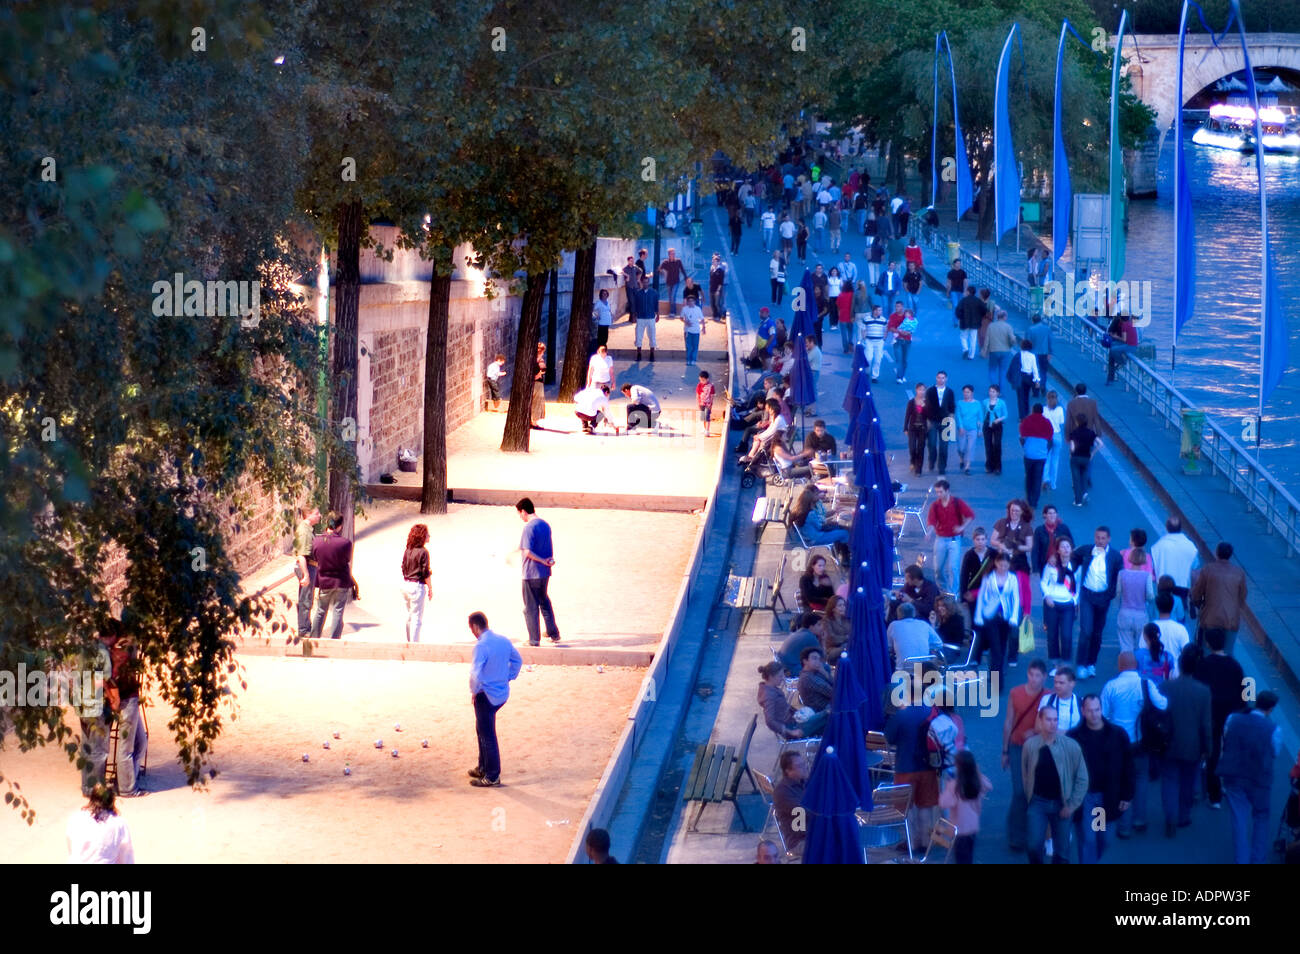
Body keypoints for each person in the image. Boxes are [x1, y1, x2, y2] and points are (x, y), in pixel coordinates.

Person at [1101, 652, 1168, 837]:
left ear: (1119, 665)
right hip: (1140, 743)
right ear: (1136, 665)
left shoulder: (1111, 686)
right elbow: (1163, 705)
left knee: (1119, 781)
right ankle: (1139, 819)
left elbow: (1103, 715)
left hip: (1117, 745)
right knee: (1140, 779)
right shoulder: (1146, 684)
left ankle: (1122, 825)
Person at [1067, 694, 1135, 864]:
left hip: (1107, 796)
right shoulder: (1074, 736)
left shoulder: (1117, 735)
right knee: (1088, 839)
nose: (1094, 714)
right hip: (1085, 796)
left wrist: (1127, 795)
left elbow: (1128, 766)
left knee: (1103, 839)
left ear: (1101, 709)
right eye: (1089, 710)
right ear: (1083, 711)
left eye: (1097, 709)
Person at [1218, 689, 1282, 864]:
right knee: (1261, 816)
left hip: (1234, 776)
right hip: (1259, 780)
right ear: (1271, 709)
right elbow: (1275, 752)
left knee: (1239, 819)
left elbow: (1226, 737)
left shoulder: (1233, 719)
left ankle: (1242, 860)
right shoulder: (1274, 729)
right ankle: (1258, 859)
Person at [1022, 704, 1089, 864]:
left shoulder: (1071, 746)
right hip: (1038, 802)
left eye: (1056, 719)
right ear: (1040, 720)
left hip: (1062, 803)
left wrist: (1071, 805)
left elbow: (1082, 778)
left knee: (1062, 851)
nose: (1053, 723)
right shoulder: (1030, 746)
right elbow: (1026, 774)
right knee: (1033, 845)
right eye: (1049, 719)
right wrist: (1030, 798)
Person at [467, 611, 523, 787]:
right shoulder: (503, 640)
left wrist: (474, 691)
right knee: (481, 729)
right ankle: (483, 766)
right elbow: (518, 661)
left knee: (487, 734)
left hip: (486, 695)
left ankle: (492, 775)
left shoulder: (481, 646)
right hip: (501, 693)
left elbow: (474, 674)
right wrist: (508, 677)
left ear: (475, 627)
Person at [885, 673, 940, 851]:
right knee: (925, 805)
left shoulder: (901, 715)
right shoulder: (933, 712)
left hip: (905, 766)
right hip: (928, 767)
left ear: (907, 694)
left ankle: (911, 842)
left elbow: (890, 738)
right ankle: (924, 841)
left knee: (906, 808)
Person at [1160, 647, 1211, 838]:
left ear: (1180, 666)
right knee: (1187, 782)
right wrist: (1208, 748)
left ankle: (1170, 817)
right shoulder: (1203, 692)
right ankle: (1183, 815)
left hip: (1168, 743)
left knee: (1169, 780)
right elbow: (1206, 724)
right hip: (1193, 746)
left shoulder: (1165, 687)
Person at [1195, 627, 1246, 809]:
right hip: (1231, 716)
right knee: (1230, 752)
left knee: (1213, 753)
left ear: (1208, 643)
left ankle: (1214, 794)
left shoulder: (1203, 665)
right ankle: (1228, 786)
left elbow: (1198, 691)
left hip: (1211, 716)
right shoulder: (1235, 665)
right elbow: (1246, 693)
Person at [1002, 660, 1049, 851]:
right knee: (1020, 791)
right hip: (1017, 746)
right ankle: (1016, 835)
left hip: (1038, 748)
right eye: (1031, 674)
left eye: (1038, 676)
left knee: (1034, 792)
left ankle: (1030, 830)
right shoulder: (1016, 693)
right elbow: (1008, 722)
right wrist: (1004, 751)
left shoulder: (1048, 696)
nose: (1034, 679)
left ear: (1044, 677)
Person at [102, 618, 147, 797]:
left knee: (140, 742)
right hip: (127, 700)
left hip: (130, 699)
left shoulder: (119, 649)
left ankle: (127, 779)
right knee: (126, 747)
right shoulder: (120, 652)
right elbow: (113, 678)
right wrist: (115, 696)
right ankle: (128, 789)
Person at [1072, 526, 1121, 679]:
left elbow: (1118, 576)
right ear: (1094, 537)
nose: (1100, 541)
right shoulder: (1086, 550)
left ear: (1109, 539)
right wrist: (1074, 571)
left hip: (1103, 598)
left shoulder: (1115, 556)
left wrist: (1110, 594)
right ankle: (1080, 664)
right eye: (1097, 538)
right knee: (1086, 630)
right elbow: (1073, 557)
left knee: (1097, 633)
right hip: (1087, 595)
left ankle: (1091, 663)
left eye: (1103, 538)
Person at [1189, 541, 1248, 654]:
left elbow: (1196, 594)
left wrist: (1198, 603)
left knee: (1206, 651)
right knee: (1228, 653)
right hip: (1231, 620)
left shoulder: (1208, 569)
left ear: (1217, 553)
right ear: (1230, 554)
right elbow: (1242, 597)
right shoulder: (1239, 572)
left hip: (1210, 619)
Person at [515, 497, 559, 647]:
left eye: (519, 513)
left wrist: (540, 560)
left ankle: (534, 639)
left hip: (531, 573)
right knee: (544, 601)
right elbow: (547, 547)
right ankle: (554, 633)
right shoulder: (545, 525)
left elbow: (527, 551)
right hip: (545, 573)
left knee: (530, 607)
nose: (520, 517)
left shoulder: (528, 527)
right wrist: (547, 561)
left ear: (523, 511)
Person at [940, 750, 993, 864]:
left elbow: (944, 803)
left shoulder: (954, 786)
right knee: (968, 857)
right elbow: (989, 785)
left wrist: (946, 785)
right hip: (972, 827)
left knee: (961, 859)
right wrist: (978, 773)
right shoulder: (977, 782)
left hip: (958, 829)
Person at [973, 551, 1019, 681]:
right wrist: (978, 616)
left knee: (1003, 644)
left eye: (1005, 565)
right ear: (996, 563)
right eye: (1001, 565)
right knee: (995, 647)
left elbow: (1016, 598)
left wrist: (1014, 616)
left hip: (1005, 616)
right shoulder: (988, 577)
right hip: (990, 615)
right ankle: (996, 678)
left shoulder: (1012, 578)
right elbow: (981, 597)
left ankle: (996, 670)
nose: (1003, 568)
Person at [310, 512, 356, 641]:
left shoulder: (317, 542)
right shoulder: (345, 543)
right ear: (340, 526)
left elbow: (315, 557)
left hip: (324, 581)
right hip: (341, 581)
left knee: (320, 611)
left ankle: (314, 639)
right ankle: (334, 640)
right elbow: (347, 559)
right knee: (338, 611)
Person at [925, 478, 974, 595]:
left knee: (953, 568)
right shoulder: (935, 505)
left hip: (954, 540)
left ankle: (953, 593)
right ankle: (943, 589)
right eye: (937, 492)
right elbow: (931, 521)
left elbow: (970, 515)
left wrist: (962, 527)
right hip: (940, 538)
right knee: (938, 569)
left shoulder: (957, 502)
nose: (939, 494)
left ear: (947, 491)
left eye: (941, 492)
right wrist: (929, 532)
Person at [758, 660, 826, 740]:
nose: (783, 678)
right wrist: (789, 732)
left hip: (795, 721)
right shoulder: (769, 695)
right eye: (780, 676)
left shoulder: (770, 689)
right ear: (771, 677)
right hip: (793, 728)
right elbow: (769, 721)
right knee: (828, 714)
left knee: (825, 717)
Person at [67, 784, 134, 864]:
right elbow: (126, 856)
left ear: (92, 798)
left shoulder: (76, 818)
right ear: (112, 800)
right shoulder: (119, 824)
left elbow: (71, 849)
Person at [1041, 537, 1079, 666]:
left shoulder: (1075, 566)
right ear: (1057, 550)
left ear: (1071, 549)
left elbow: (1077, 585)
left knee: (1067, 636)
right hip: (1052, 605)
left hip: (1068, 605)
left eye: (1068, 546)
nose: (1066, 549)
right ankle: (1055, 663)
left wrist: (1074, 601)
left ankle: (1066, 663)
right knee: (1052, 636)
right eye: (1062, 547)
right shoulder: (1051, 565)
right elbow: (1043, 582)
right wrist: (1047, 596)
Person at [1150, 516, 1199, 617]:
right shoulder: (1190, 545)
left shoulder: (1159, 546)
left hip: (1164, 584)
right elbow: (1195, 565)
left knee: (1163, 611)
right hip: (1182, 585)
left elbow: (1153, 566)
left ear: (1167, 528)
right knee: (1180, 611)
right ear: (1181, 528)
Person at [292, 503, 320, 644]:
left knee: (307, 598)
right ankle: (304, 630)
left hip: (310, 566)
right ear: (308, 515)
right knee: (305, 599)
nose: (319, 516)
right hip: (306, 566)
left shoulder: (308, 529)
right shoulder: (304, 531)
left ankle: (306, 626)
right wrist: (306, 575)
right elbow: (301, 555)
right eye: (316, 513)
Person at [887, 602, 944, 671]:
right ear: (914, 613)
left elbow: (888, 647)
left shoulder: (893, 625)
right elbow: (939, 644)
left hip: (903, 669)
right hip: (925, 669)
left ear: (898, 614)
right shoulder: (923, 624)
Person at [789, 483, 849, 548]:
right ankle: (845, 554)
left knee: (838, 529)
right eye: (816, 494)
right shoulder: (810, 513)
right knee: (844, 533)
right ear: (810, 501)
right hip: (815, 538)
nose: (818, 496)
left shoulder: (800, 510)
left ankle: (839, 550)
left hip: (808, 537)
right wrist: (830, 522)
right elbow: (820, 527)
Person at [773, 751, 810, 854]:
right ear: (788, 771)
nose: (805, 767)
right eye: (800, 766)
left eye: (804, 764)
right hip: (800, 841)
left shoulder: (804, 782)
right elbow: (808, 812)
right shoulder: (783, 792)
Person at [401, 524, 433, 643]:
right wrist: (430, 588)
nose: (429, 536)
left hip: (405, 584)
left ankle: (409, 641)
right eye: (427, 534)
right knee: (416, 618)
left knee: (410, 616)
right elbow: (425, 572)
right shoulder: (423, 552)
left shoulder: (408, 550)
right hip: (416, 586)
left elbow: (403, 567)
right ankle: (414, 645)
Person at [1018, 403, 1053, 510]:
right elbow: (1050, 439)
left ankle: (1029, 498)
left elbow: (1022, 437)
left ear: (1033, 410)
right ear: (1042, 411)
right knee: (1038, 478)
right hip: (1041, 455)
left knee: (1029, 476)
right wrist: (1046, 451)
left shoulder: (1026, 421)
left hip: (1029, 454)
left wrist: (1025, 447)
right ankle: (1035, 501)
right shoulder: (1047, 422)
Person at [959, 528, 995, 621]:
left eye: (983, 539)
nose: (980, 542)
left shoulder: (993, 554)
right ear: (973, 540)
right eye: (978, 539)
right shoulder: (969, 555)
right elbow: (964, 576)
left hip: (990, 588)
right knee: (974, 617)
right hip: (974, 589)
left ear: (986, 540)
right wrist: (963, 597)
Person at [991, 499, 1034, 574]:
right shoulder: (1001, 522)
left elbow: (1029, 547)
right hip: (1001, 557)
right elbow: (992, 540)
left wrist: (1016, 547)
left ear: (1022, 512)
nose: (1014, 513)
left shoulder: (1027, 527)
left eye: (1017, 511)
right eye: (1012, 510)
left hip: (1018, 561)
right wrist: (1000, 545)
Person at [1067, 412, 1101, 507]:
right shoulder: (1091, 433)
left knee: (1076, 479)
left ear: (1077, 422)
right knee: (1084, 477)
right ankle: (1084, 493)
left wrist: (1071, 453)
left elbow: (1072, 447)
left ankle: (1078, 501)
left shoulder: (1074, 433)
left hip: (1075, 457)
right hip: (1086, 458)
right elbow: (1100, 444)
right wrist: (1092, 453)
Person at [924, 371, 955, 475]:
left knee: (944, 446)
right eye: (939, 378)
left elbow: (952, 407)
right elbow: (926, 406)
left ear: (946, 379)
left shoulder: (949, 392)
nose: (941, 380)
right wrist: (927, 420)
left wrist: (951, 420)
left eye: (943, 378)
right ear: (936, 378)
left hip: (945, 421)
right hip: (933, 420)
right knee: (932, 444)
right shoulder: (930, 391)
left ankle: (942, 467)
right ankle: (931, 460)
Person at [1152, 592, 1190, 674]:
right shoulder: (1181, 629)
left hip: (1153, 672)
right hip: (1175, 672)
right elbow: (1186, 652)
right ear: (1172, 606)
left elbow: (1143, 649)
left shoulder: (1149, 627)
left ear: (1157, 607)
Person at [1031, 505, 1072, 575]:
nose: (1052, 515)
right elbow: (1035, 549)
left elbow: (1071, 545)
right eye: (1050, 513)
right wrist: (1035, 568)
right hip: (1044, 565)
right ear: (1044, 515)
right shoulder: (1039, 530)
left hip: (1062, 563)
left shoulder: (1064, 528)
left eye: (1054, 513)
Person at [1038, 666, 1082, 732]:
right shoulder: (1046, 700)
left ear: (1072, 684)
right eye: (1055, 682)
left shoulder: (1081, 703)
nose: (1057, 686)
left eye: (1061, 683)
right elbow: (1038, 727)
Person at [983, 309, 1017, 391]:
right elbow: (1012, 338)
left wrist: (985, 350)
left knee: (992, 369)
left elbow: (987, 339)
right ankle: (1000, 390)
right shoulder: (1008, 326)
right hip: (1005, 351)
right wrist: (1012, 344)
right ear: (1004, 317)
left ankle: (994, 389)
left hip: (994, 350)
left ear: (997, 317)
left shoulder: (991, 326)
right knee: (1002, 371)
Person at [813, 595, 850, 664]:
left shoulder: (846, 619)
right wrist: (847, 637)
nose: (843, 607)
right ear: (833, 608)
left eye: (844, 605)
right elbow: (832, 639)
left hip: (846, 645)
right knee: (848, 647)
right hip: (831, 650)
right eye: (840, 605)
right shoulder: (826, 621)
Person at [1135, 623, 1174, 688]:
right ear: (1159, 635)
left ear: (1144, 636)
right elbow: (1170, 679)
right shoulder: (1168, 657)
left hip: (1142, 693)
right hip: (1161, 694)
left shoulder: (1136, 655)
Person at [981, 384, 1009, 476]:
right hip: (987, 424)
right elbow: (982, 414)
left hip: (997, 425)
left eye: (993, 392)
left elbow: (1005, 414)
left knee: (997, 445)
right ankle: (989, 465)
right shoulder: (985, 402)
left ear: (998, 393)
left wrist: (999, 419)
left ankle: (998, 467)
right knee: (988, 445)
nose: (991, 393)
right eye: (990, 391)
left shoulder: (1001, 403)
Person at [954, 385, 981, 476]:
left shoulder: (977, 404)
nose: (966, 394)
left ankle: (967, 467)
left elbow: (980, 417)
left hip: (973, 429)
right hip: (962, 429)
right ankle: (962, 459)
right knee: (961, 448)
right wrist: (960, 427)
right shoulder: (960, 403)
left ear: (972, 393)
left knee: (970, 448)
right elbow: (958, 416)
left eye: (968, 392)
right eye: (964, 392)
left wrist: (980, 429)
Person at [797, 647, 834, 713]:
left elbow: (834, 684)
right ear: (805, 661)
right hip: (823, 713)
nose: (818, 662)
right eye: (814, 658)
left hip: (828, 707)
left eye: (819, 659)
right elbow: (834, 693)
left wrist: (824, 672)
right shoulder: (807, 678)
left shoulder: (815, 672)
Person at [631, 274, 658, 362]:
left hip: (650, 317)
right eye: (644, 282)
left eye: (647, 282)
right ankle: (639, 354)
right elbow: (635, 305)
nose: (645, 284)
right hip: (640, 317)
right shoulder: (638, 293)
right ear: (642, 283)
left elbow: (656, 304)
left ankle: (652, 354)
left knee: (652, 336)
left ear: (648, 283)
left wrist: (658, 315)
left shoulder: (654, 293)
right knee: (638, 336)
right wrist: (634, 316)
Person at [1011, 340, 1042, 420]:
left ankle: (1022, 415)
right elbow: (1035, 368)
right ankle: (1027, 412)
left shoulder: (1018, 355)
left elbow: (1013, 367)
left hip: (1020, 376)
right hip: (1029, 377)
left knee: (1020, 396)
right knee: (1026, 395)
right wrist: (1037, 380)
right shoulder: (1032, 356)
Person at [1042, 390, 1065, 492]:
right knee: (1055, 460)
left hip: (1046, 436)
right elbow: (1061, 422)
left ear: (1047, 398)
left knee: (1046, 458)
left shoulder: (1044, 410)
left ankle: (1045, 478)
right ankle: (1053, 483)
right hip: (1057, 436)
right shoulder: (1060, 409)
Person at [903, 382, 928, 476]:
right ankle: (913, 460)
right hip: (912, 428)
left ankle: (918, 469)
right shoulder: (911, 402)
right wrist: (905, 428)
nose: (921, 392)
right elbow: (907, 415)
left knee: (921, 449)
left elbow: (930, 415)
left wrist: (925, 407)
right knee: (912, 448)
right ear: (916, 390)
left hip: (923, 428)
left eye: (923, 390)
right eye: (920, 390)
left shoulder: (927, 403)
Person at [886, 304, 915, 384]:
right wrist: (900, 331)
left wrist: (909, 332)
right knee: (898, 360)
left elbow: (913, 326)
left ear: (902, 307)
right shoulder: (893, 316)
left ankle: (902, 375)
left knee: (905, 360)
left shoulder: (907, 316)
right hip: (897, 341)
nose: (897, 308)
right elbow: (890, 328)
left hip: (907, 341)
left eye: (898, 306)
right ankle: (899, 377)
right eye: (896, 306)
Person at [860, 303, 888, 382]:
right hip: (869, 341)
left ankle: (874, 376)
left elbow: (886, 329)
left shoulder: (883, 320)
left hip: (879, 342)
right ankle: (867, 372)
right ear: (874, 311)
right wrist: (864, 338)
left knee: (878, 359)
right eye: (879, 310)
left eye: (881, 310)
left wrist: (884, 339)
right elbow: (863, 329)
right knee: (868, 358)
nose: (881, 312)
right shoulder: (867, 319)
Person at [1027, 312, 1053, 388]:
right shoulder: (1047, 329)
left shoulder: (1030, 329)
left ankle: (1035, 388)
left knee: (1034, 371)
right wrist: (1050, 353)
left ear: (1033, 321)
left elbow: (1027, 342)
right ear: (1040, 320)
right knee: (1043, 371)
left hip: (1033, 353)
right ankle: (1043, 386)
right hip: (1044, 353)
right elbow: (1050, 341)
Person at [658, 248, 686, 316]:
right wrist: (664, 272)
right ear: (669, 255)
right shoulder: (665, 262)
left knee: (673, 296)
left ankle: (672, 312)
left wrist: (686, 278)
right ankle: (673, 311)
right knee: (670, 298)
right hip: (668, 282)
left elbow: (682, 270)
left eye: (674, 253)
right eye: (672, 254)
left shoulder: (678, 261)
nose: (673, 255)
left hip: (676, 282)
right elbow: (659, 270)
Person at [530, 342, 547, 426]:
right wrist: (539, 375)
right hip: (537, 384)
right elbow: (543, 368)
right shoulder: (540, 360)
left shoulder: (530, 358)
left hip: (532, 384)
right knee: (537, 403)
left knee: (532, 402)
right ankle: (534, 422)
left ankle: (531, 421)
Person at [696, 370, 716, 438]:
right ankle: (704, 428)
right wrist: (698, 402)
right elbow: (698, 394)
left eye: (703, 380)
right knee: (702, 417)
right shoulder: (699, 385)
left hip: (708, 404)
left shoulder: (711, 386)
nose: (702, 381)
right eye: (700, 380)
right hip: (701, 403)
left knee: (707, 417)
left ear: (707, 379)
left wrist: (711, 403)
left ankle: (707, 430)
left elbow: (712, 395)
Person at [708, 253, 728, 318]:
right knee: (712, 303)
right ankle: (715, 314)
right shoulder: (712, 268)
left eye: (714, 261)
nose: (712, 262)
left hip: (718, 288)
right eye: (712, 260)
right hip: (711, 288)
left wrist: (718, 290)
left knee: (718, 303)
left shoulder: (721, 270)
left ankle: (720, 315)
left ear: (718, 262)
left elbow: (721, 282)